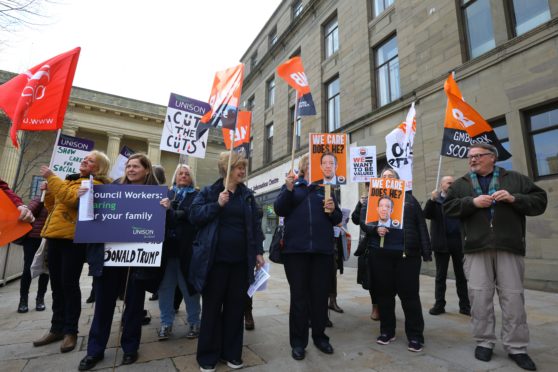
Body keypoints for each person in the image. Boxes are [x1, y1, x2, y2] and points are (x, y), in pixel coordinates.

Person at [443, 143, 547, 371]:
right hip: (476, 248)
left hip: (509, 247)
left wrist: (514, 199)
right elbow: (448, 208)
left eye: (478, 156)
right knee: (479, 298)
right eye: (470, 157)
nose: (472, 160)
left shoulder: (515, 179)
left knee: (513, 299)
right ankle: (484, 341)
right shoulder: (461, 184)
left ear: (492, 157)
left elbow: (540, 202)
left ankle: (517, 347)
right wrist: (471, 202)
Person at [79, 153, 161, 370]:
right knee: (103, 307)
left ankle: (130, 348)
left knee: (134, 307)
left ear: (146, 170)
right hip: (109, 259)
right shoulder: (110, 189)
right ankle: (94, 351)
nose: (131, 169)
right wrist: (85, 197)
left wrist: (166, 209)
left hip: (136, 261)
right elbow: (91, 218)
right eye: (128, 166)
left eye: (135, 166)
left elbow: (162, 228)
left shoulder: (156, 195)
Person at [189, 151, 264, 372]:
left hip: (240, 263)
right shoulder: (210, 192)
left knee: (235, 308)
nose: (242, 171)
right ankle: (207, 356)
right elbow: (195, 216)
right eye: (237, 167)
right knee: (212, 308)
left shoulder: (247, 196)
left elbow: (255, 228)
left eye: (243, 167)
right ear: (225, 168)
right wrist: (217, 205)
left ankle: (232, 353)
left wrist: (258, 252)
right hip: (215, 262)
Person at [33, 151, 111, 354]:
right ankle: (56, 328)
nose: (84, 161)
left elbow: (72, 201)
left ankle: (70, 331)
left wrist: (52, 178)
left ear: (99, 167)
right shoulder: (70, 181)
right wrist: (50, 191)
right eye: (84, 159)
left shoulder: (96, 185)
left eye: (90, 160)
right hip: (55, 237)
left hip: (72, 241)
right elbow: (53, 207)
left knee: (69, 285)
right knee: (56, 285)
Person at [274, 154, 342, 361]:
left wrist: (332, 211)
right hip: (296, 252)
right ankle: (298, 342)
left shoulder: (327, 190)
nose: (321, 167)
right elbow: (279, 208)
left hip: (321, 252)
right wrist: (287, 189)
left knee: (320, 297)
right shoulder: (294, 187)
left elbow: (337, 218)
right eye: (314, 164)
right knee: (299, 298)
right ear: (304, 168)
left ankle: (320, 337)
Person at [360, 167, 431, 353]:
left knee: (410, 297)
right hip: (380, 255)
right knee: (384, 296)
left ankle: (415, 336)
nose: (387, 179)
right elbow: (363, 222)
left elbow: (421, 226)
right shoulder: (371, 201)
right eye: (384, 177)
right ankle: (387, 331)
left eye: (391, 177)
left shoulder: (409, 199)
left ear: (398, 181)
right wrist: (375, 229)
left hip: (406, 256)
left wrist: (426, 252)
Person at [157, 164, 201, 340]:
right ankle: (166, 324)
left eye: (187, 174)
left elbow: (195, 215)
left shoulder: (197, 195)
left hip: (187, 250)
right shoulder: (165, 194)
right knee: (165, 289)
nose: (183, 176)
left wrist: (175, 212)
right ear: (175, 176)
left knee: (189, 289)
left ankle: (194, 322)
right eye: (180, 173)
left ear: (191, 178)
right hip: (167, 250)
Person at [423, 176, 470, 316]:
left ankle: (465, 306)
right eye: (449, 183)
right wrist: (431, 200)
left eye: (453, 183)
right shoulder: (435, 200)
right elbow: (426, 214)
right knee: (440, 276)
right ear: (442, 184)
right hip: (441, 242)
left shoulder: (458, 200)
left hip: (458, 242)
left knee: (461, 275)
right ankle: (439, 305)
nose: (451, 185)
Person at [17, 186, 50, 313]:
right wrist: (42, 197)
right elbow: (29, 211)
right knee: (28, 269)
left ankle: (40, 299)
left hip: (48, 238)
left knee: (45, 270)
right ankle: (23, 300)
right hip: (33, 238)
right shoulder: (40, 198)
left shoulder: (59, 200)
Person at [351, 187, 379, 321]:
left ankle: (385, 305)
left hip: (387, 244)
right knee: (372, 278)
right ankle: (376, 306)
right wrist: (360, 204)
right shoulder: (366, 202)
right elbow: (355, 220)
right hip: (369, 244)